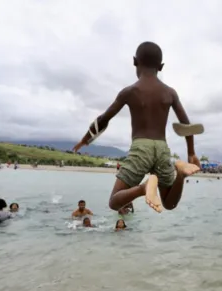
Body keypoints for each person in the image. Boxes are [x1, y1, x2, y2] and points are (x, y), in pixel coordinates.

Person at [73, 42, 200, 213]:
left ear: (135, 61)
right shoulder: (170, 92)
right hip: (162, 148)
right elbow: (186, 125)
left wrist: (85, 139)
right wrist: (191, 153)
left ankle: (144, 187)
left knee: (114, 202)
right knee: (169, 204)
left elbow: (104, 119)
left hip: (141, 148)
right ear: (161, 67)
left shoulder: (130, 91)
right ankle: (181, 174)